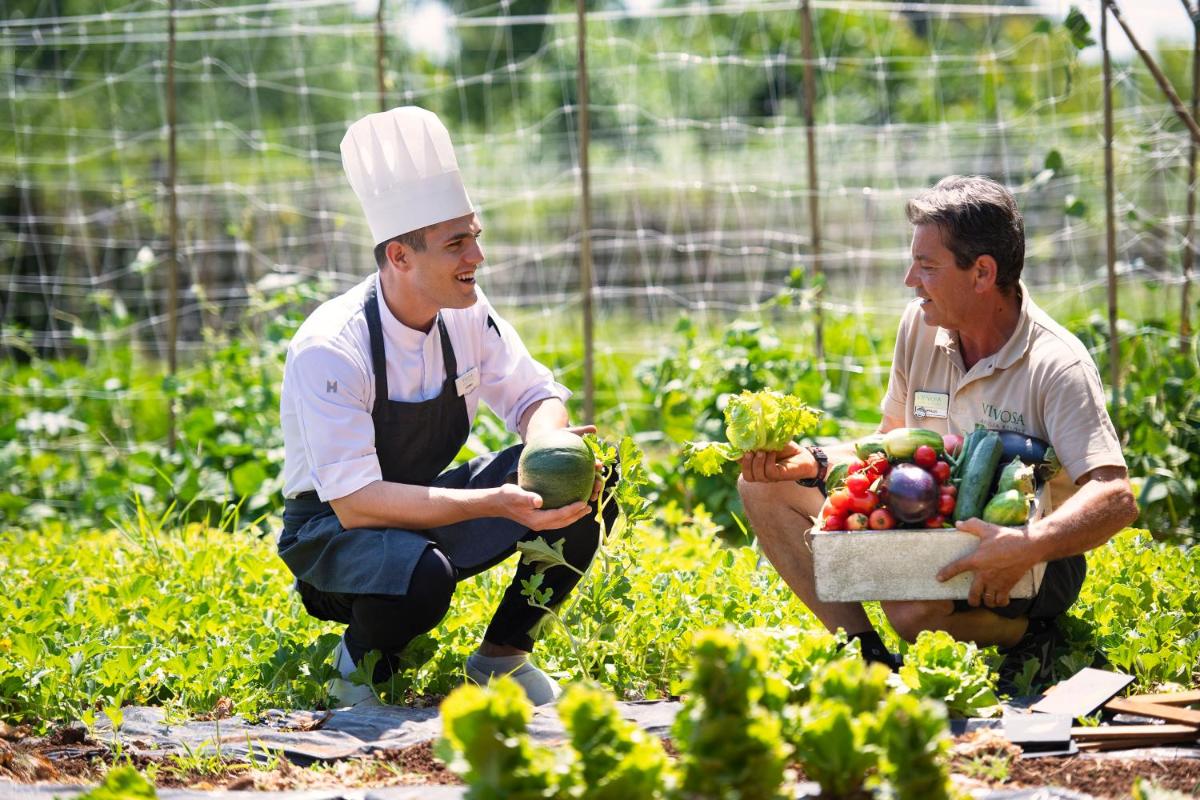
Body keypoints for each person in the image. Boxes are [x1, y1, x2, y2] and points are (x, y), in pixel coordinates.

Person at [738, 175, 1138, 683]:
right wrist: (812, 463)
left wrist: (1027, 544)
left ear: (982, 273)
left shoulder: (1057, 364)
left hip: (1033, 556)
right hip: (928, 527)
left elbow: (1115, 497)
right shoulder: (920, 327)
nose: (911, 280)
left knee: (910, 611)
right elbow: (889, 444)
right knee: (762, 486)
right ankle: (866, 654)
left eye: (927, 267)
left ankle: (1031, 637)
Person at [277, 106, 613, 707]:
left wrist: (550, 446)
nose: (476, 257)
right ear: (400, 257)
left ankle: (502, 660)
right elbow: (356, 502)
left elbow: (534, 395)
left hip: (423, 507)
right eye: (456, 244)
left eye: (474, 237)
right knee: (423, 575)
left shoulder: (467, 314)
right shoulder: (331, 347)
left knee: (593, 476)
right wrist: (494, 501)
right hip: (334, 533)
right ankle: (356, 671)